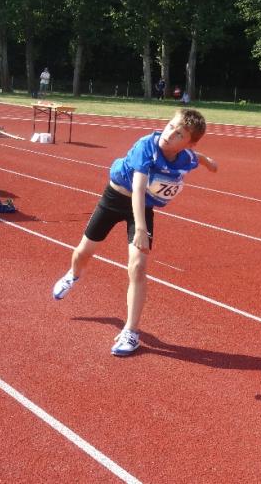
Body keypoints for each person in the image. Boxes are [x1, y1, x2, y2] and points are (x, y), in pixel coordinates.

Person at [51, 108, 218, 356]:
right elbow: (138, 189)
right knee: (83, 252)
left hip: (143, 209)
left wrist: (209, 163)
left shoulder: (185, 157)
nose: (170, 133)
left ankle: (131, 331)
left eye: (179, 134)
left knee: (138, 267)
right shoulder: (146, 146)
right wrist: (140, 229)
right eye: (170, 126)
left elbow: (196, 157)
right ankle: (72, 275)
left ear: (189, 143)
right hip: (115, 199)